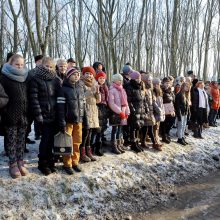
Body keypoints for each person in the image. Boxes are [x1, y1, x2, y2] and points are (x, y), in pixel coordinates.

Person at [30, 56, 61, 175]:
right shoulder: (35, 79)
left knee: (53, 140)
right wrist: (38, 115)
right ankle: (42, 163)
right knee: (45, 140)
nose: (48, 68)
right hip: (43, 115)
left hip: (55, 114)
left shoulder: (56, 79)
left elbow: (59, 97)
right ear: (42, 65)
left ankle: (51, 162)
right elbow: (34, 98)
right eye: (46, 66)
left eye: (51, 67)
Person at [0, 54, 29, 178]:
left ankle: (20, 160)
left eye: (22, 64)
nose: (20, 66)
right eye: (17, 64)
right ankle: (12, 163)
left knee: (21, 140)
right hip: (10, 114)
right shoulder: (4, 77)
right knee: (11, 140)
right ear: (10, 64)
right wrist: (5, 111)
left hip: (24, 115)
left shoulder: (25, 77)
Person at [57, 68, 88, 175]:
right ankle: (67, 163)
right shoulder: (63, 89)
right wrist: (61, 121)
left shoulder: (80, 88)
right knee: (67, 143)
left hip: (79, 121)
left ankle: (75, 162)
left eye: (78, 74)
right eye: (74, 74)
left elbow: (84, 106)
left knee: (77, 142)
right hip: (68, 122)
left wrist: (86, 120)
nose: (77, 76)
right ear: (68, 75)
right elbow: (60, 107)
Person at [80, 66, 101, 162]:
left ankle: (89, 151)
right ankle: (82, 152)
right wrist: (89, 92)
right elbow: (81, 98)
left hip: (93, 109)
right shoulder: (80, 83)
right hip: (85, 109)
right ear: (83, 74)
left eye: (91, 73)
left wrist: (97, 93)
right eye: (87, 73)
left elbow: (98, 101)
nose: (89, 75)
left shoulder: (95, 84)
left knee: (91, 132)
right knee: (85, 132)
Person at [125, 70, 146, 153]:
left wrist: (145, 108)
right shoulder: (129, 86)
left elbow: (143, 99)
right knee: (133, 128)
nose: (138, 79)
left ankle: (137, 142)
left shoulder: (140, 86)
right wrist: (132, 110)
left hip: (140, 109)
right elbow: (128, 100)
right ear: (133, 79)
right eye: (137, 78)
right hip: (133, 110)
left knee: (138, 127)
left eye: (139, 78)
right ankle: (133, 144)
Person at [108, 73, 130, 154]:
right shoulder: (112, 90)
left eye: (121, 80)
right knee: (115, 129)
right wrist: (120, 112)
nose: (120, 81)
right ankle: (113, 146)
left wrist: (127, 112)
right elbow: (111, 103)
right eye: (118, 80)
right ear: (114, 80)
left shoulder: (123, 90)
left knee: (120, 130)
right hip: (115, 113)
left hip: (123, 113)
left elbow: (126, 102)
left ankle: (119, 144)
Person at [141, 73, 162, 151]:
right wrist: (146, 111)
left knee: (149, 128)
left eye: (151, 80)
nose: (150, 82)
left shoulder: (150, 90)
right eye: (149, 80)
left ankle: (146, 142)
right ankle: (154, 143)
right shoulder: (144, 90)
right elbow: (144, 102)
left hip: (150, 111)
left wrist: (157, 109)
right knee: (147, 128)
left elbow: (152, 101)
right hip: (146, 112)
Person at [93, 71, 109, 156]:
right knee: (97, 130)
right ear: (97, 78)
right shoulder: (96, 86)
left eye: (103, 78)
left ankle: (100, 146)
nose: (102, 80)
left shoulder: (105, 87)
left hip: (104, 109)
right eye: (100, 78)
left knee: (102, 128)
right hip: (97, 108)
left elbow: (107, 98)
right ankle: (96, 147)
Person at [160, 77, 176, 143]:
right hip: (164, 108)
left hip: (170, 108)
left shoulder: (170, 91)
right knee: (164, 123)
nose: (167, 84)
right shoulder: (161, 90)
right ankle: (164, 135)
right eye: (166, 83)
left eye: (168, 83)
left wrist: (173, 109)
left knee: (171, 121)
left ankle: (167, 133)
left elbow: (172, 100)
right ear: (163, 83)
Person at [152, 78, 165, 148]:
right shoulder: (153, 92)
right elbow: (154, 103)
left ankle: (157, 140)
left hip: (159, 112)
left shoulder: (159, 91)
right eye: (158, 84)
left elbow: (161, 102)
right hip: (156, 112)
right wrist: (159, 110)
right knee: (155, 128)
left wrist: (162, 111)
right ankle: (155, 142)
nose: (159, 85)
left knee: (157, 128)